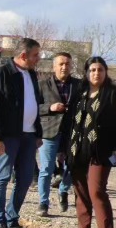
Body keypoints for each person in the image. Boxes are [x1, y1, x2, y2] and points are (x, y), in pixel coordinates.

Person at [0, 37, 44, 228]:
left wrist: (38, 133)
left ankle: (12, 219)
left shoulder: (31, 75)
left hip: (29, 136)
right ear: (24, 55)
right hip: (9, 136)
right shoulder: (1, 75)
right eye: (35, 55)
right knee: (2, 177)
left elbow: (35, 104)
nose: (38, 58)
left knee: (25, 179)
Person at [66, 57, 116, 228]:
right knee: (80, 192)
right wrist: (62, 150)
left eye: (100, 70)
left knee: (96, 190)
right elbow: (69, 122)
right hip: (77, 149)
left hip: (100, 151)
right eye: (92, 70)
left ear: (105, 72)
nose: (96, 73)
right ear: (86, 73)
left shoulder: (114, 94)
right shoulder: (79, 93)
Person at [36, 52, 83, 216]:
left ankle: (63, 190)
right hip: (49, 131)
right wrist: (50, 108)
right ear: (54, 66)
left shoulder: (79, 85)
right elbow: (34, 107)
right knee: (46, 168)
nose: (64, 67)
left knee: (71, 166)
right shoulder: (42, 85)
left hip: (71, 131)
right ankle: (43, 202)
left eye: (67, 64)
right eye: (61, 64)